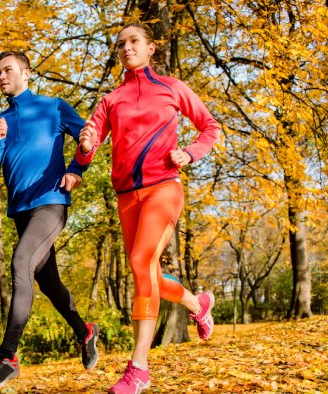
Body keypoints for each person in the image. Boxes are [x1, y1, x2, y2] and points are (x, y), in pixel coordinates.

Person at [75, 23, 220, 394]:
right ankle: (197, 302)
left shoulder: (172, 87)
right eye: (121, 44)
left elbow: (210, 126)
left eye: (134, 42)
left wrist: (189, 153)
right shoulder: (110, 100)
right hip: (127, 196)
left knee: (142, 263)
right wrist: (87, 143)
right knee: (146, 271)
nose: (126, 48)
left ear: (151, 48)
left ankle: (138, 367)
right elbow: (87, 150)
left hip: (164, 188)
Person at [0, 51, 99, 389]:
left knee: (20, 262)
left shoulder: (53, 107)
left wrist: (76, 169)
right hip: (21, 211)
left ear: (26, 74)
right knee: (47, 283)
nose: (1, 76)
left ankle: (8, 356)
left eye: (8, 70)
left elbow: (89, 138)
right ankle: (84, 331)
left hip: (51, 203)